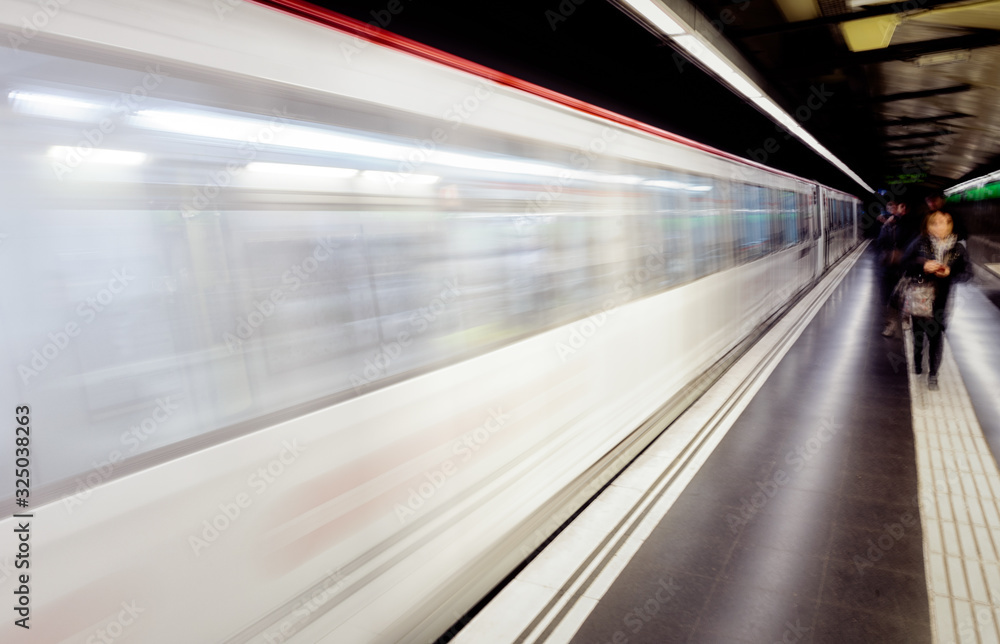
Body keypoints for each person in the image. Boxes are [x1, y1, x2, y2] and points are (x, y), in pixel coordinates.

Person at [901, 210, 972, 390]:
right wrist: (922, 266)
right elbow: (904, 263)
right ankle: (917, 363)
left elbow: (967, 274)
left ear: (950, 225)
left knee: (936, 336)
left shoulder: (958, 248)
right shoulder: (919, 243)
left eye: (944, 222)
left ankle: (933, 374)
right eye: (935, 223)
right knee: (918, 335)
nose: (940, 226)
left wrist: (950, 273)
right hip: (920, 299)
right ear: (928, 226)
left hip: (942, 301)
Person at [877, 200, 920, 337]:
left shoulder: (911, 225)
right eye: (891, 208)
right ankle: (891, 324)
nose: (894, 211)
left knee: (905, 296)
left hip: (905, 267)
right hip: (888, 267)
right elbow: (880, 242)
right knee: (888, 297)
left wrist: (903, 254)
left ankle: (905, 320)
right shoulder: (887, 226)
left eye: (899, 208)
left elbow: (915, 243)